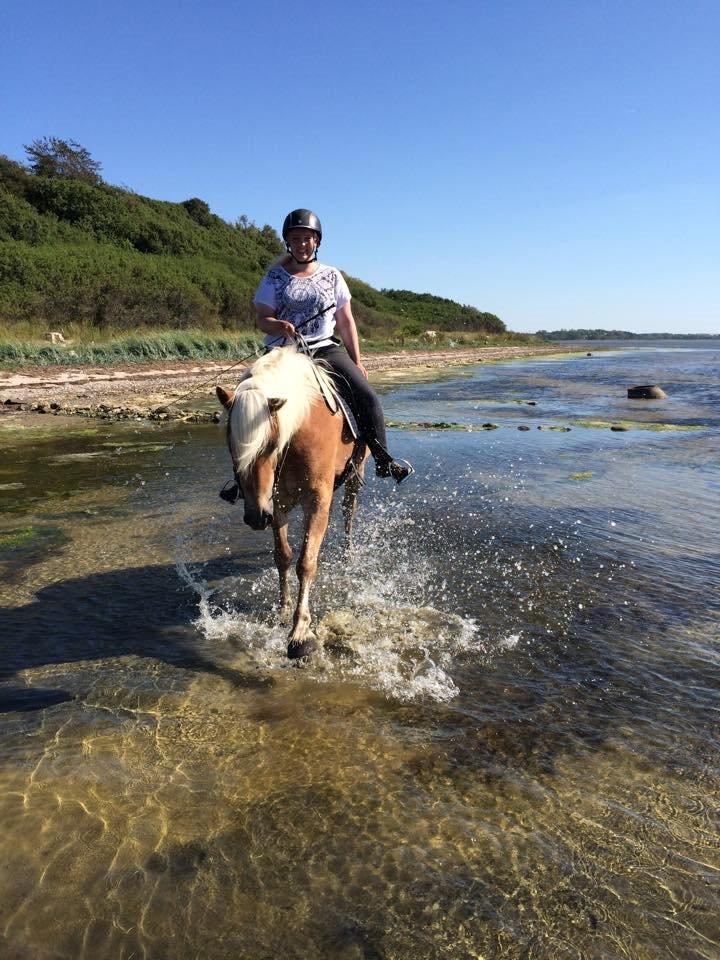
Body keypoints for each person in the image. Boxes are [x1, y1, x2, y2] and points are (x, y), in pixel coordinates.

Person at [252, 208, 413, 483]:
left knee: (367, 395)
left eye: (307, 238)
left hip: (324, 348)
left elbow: (346, 321)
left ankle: (384, 460)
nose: (302, 244)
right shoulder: (274, 277)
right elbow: (263, 319)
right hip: (283, 353)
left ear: (317, 241)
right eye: (296, 238)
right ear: (287, 242)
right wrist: (278, 325)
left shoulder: (332, 275)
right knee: (246, 400)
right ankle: (242, 477)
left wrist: (357, 361)